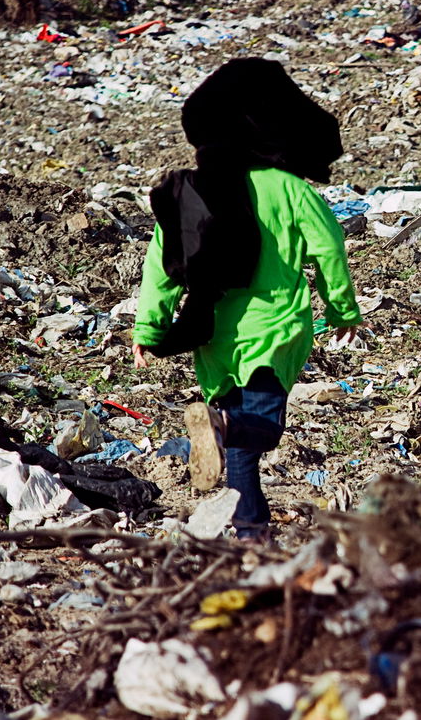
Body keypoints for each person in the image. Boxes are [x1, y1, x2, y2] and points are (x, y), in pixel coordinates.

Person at [132, 58, 360, 542]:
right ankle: (221, 427)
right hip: (273, 328)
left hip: (212, 332)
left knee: (240, 456)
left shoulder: (193, 189)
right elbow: (329, 247)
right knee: (259, 430)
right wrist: (341, 307)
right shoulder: (291, 189)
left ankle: (251, 534)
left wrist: (150, 329)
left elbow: (163, 265)